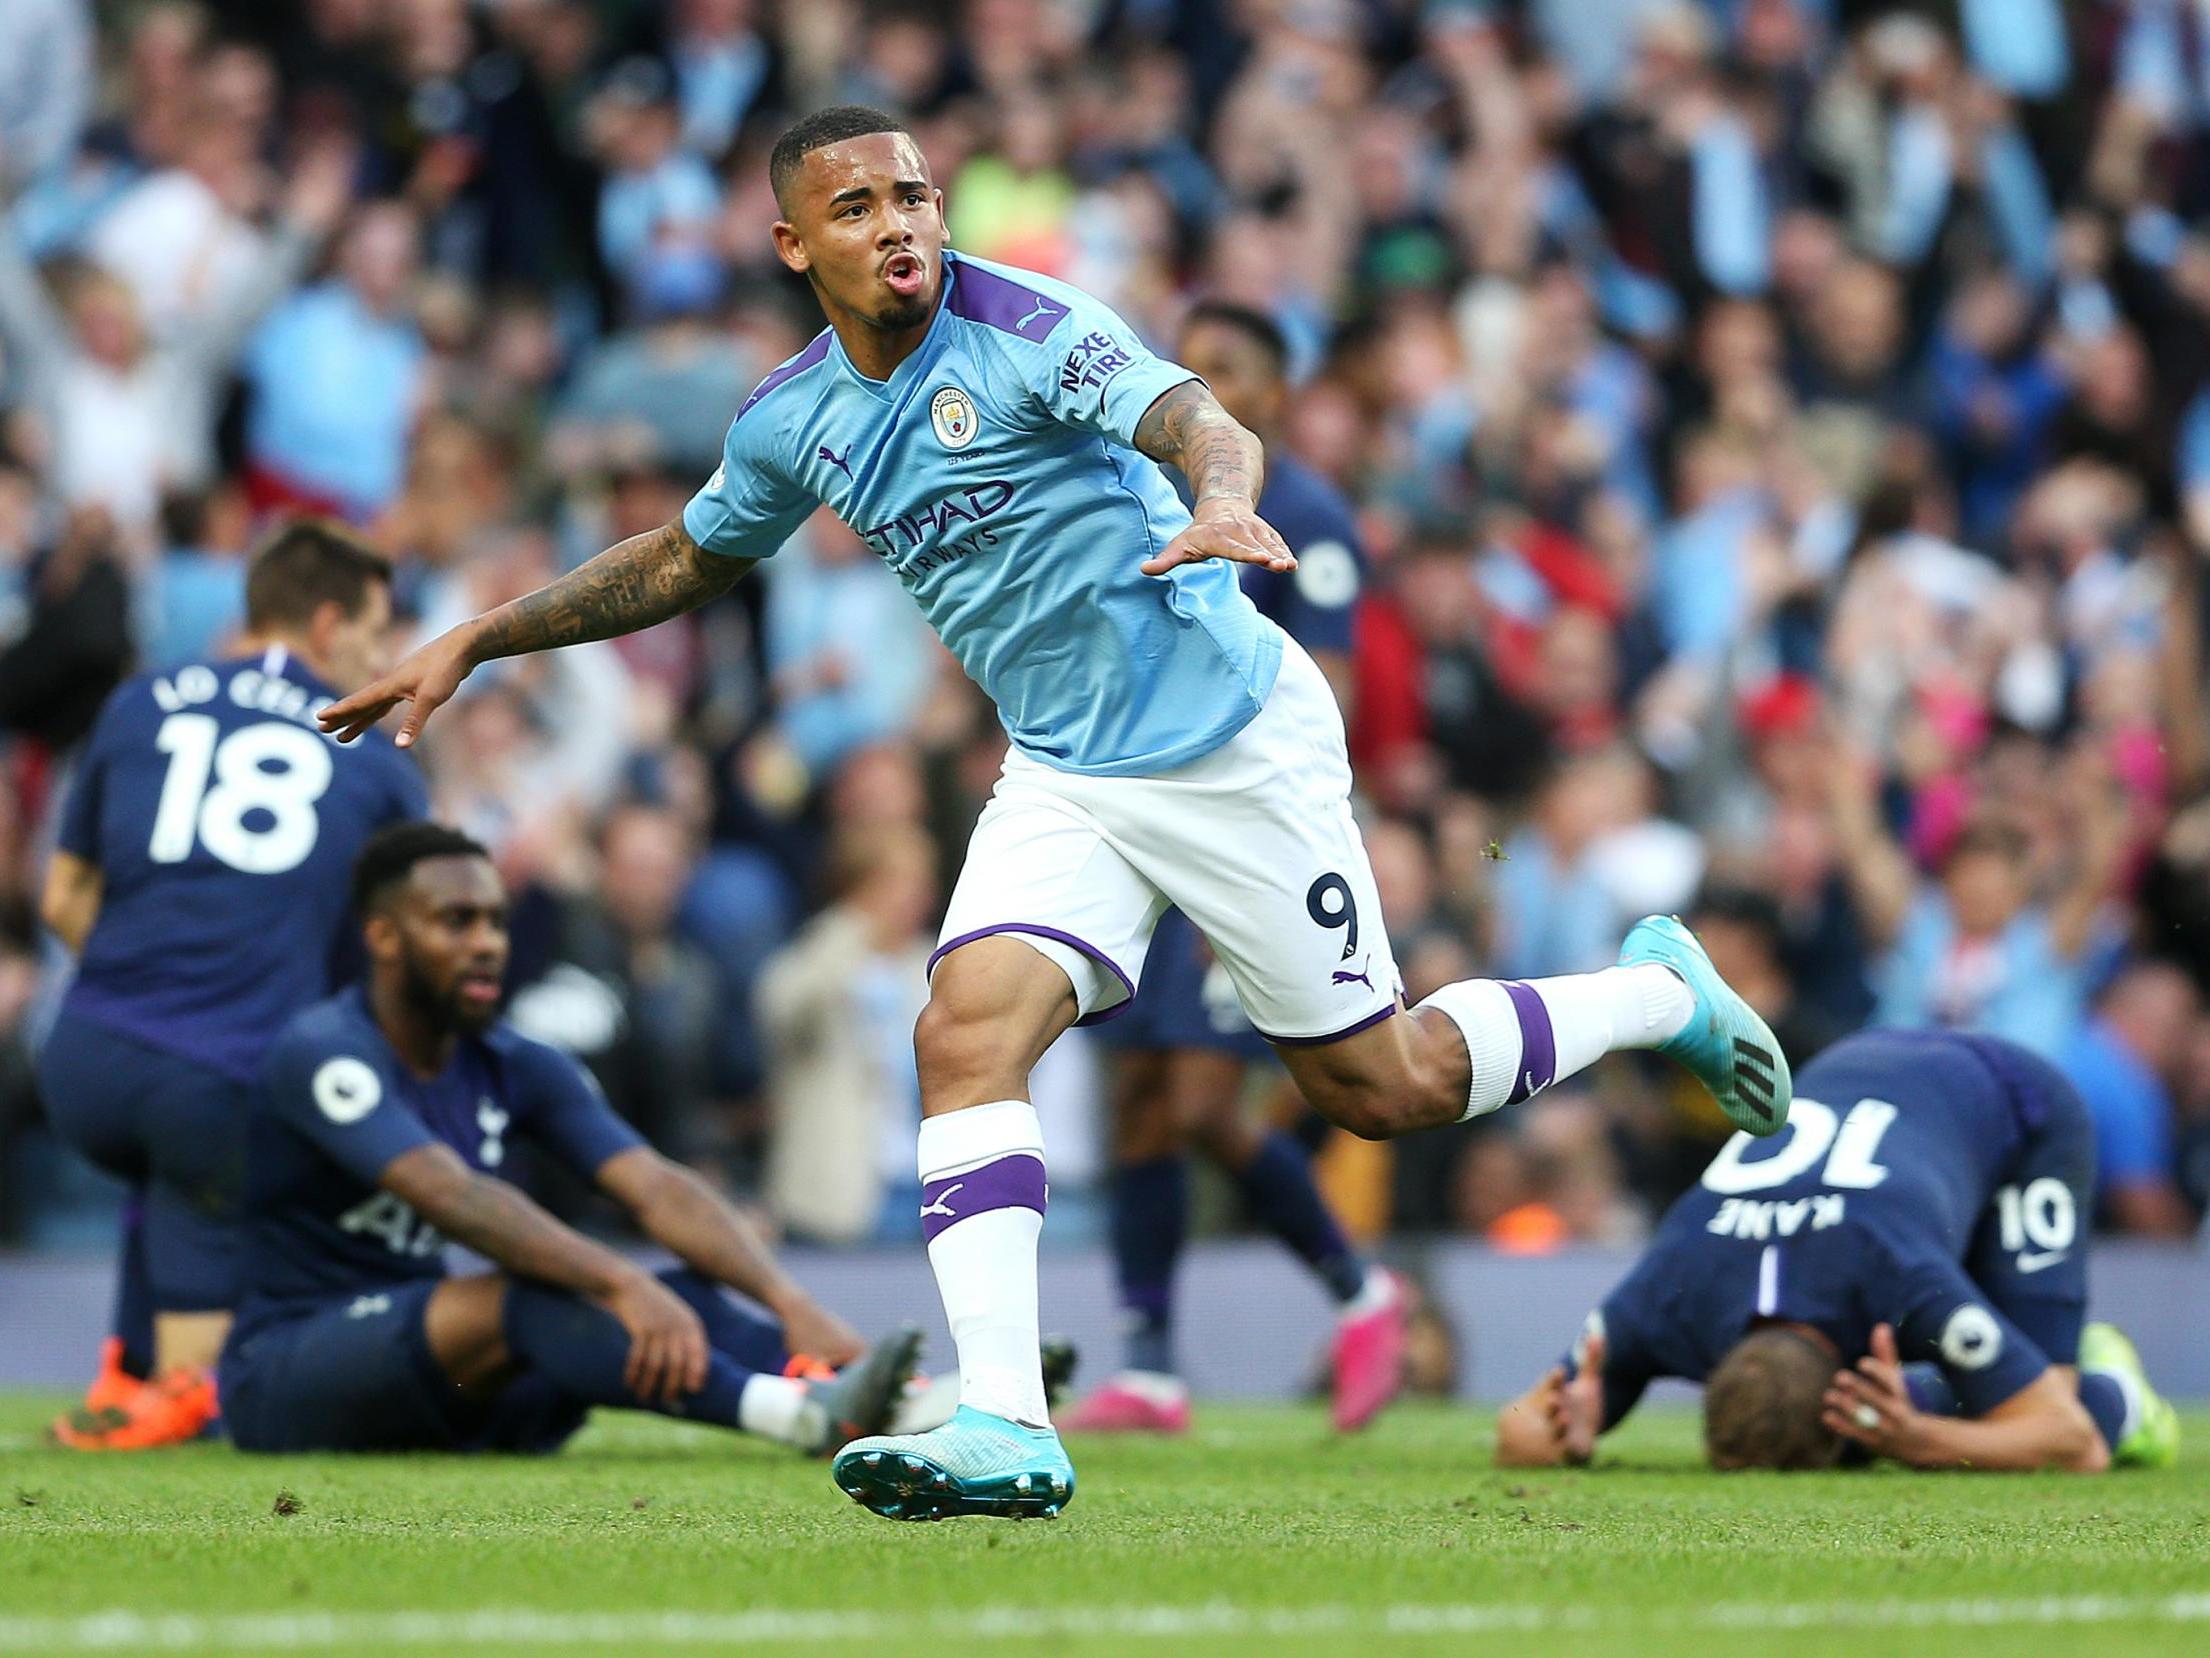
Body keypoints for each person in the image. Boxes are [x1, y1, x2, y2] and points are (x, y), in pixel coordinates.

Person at [318, 106, 1791, 1522]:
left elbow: (1191, 414)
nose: (898, 225)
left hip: (1226, 742)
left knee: (1376, 1085)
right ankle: (1007, 1423)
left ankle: (1655, 991)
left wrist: (1218, 499)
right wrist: (477, 637)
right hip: (1066, 769)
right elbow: (682, 561)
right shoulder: (792, 418)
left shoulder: (1025, 328)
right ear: (790, 244)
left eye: (913, 196)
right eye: (857, 207)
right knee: (963, 1027)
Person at [220, 822, 920, 1457]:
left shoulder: (516, 1062)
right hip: (290, 1375)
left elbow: (655, 1186)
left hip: (425, 1376)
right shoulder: (324, 1053)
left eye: (495, 921)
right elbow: (449, 1195)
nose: (488, 943)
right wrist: (616, 1280)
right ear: (383, 938)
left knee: (679, 1294)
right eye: (456, 922)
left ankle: (894, 1405)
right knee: (538, 1294)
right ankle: (797, 1416)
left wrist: (787, 1301)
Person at [1067, 300, 1403, 1437]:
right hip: (1144, 819)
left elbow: (1336, 692)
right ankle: (1152, 1367)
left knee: (1207, 1102)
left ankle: (1364, 1293)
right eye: (1187, 365)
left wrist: (1275, 846)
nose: (1201, 384)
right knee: (1142, 1101)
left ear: (1270, 395)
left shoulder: (1307, 517)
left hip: (1243, 829)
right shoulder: (1147, 497)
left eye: (1225, 369)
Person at [40, 520, 426, 1450]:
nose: (380, 661)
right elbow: (405, 946)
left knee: (172, 1172)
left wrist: (151, 984)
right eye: (377, 638)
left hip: (84, 1056)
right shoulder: (369, 750)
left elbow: (60, 896)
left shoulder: (137, 704)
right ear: (328, 625)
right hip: (222, 1079)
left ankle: (123, 1372)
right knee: (211, 1376)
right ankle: (176, 1389)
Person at [1493, 1029, 2181, 1475]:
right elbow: (1520, 1432)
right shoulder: (1669, 1293)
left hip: (2014, 1099)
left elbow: (2070, 1443)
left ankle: (2122, 1386)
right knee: (1968, 1415)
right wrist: (1568, 1422)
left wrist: (1922, 1442)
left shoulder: (1898, 1278)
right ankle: (1911, 1405)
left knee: (2048, 1406)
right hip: (1853, 1064)